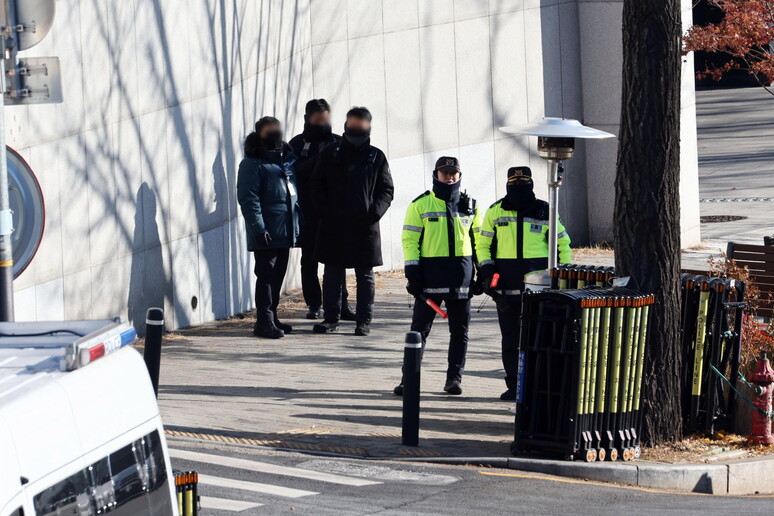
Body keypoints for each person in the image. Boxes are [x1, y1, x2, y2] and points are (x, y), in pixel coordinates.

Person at [475, 167, 571, 400]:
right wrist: (487, 272)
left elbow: (563, 245)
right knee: (510, 340)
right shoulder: (495, 211)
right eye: (514, 182)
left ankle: (539, 385)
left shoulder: (545, 210)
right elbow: (483, 246)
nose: (518, 186)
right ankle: (514, 386)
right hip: (506, 291)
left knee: (542, 339)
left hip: (539, 290)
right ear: (508, 184)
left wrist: (565, 278)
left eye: (523, 182)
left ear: (531, 184)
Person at [394, 157, 481, 396]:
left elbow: (480, 242)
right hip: (430, 279)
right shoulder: (420, 205)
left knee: (460, 332)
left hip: (461, 278)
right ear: (436, 174)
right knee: (419, 331)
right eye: (445, 173)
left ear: (460, 175)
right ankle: (408, 380)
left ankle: (454, 379)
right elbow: (410, 241)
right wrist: (412, 273)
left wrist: (483, 272)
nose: (449, 177)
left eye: (454, 172)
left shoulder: (470, 205)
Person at [310, 106, 394, 336]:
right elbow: (315, 185)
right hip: (333, 225)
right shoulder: (330, 152)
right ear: (346, 123)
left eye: (361, 123)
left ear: (369, 126)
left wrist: (373, 214)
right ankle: (331, 319)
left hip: (364, 227)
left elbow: (386, 190)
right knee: (332, 274)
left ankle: (363, 322)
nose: (356, 127)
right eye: (353, 122)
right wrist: (325, 212)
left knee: (365, 276)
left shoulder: (376, 156)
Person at [288, 99, 355, 321]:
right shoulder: (297, 144)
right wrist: (320, 157)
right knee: (309, 260)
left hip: (334, 212)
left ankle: (340, 304)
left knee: (337, 260)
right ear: (308, 118)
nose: (322, 123)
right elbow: (293, 173)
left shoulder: (339, 142)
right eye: (317, 119)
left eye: (325, 119)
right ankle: (314, 304)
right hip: (307, 212)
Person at [237, 116, 300, 339]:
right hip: (266, 231)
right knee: (266, 275)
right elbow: (248, 199)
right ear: (259, 133)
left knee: (278, 274)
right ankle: (263, 321)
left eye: (276, 128)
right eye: (268, 130)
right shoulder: (252, 163)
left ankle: (272, 316)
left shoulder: (284, 160)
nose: (274, 133)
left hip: (285, 229)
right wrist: (258, 228)